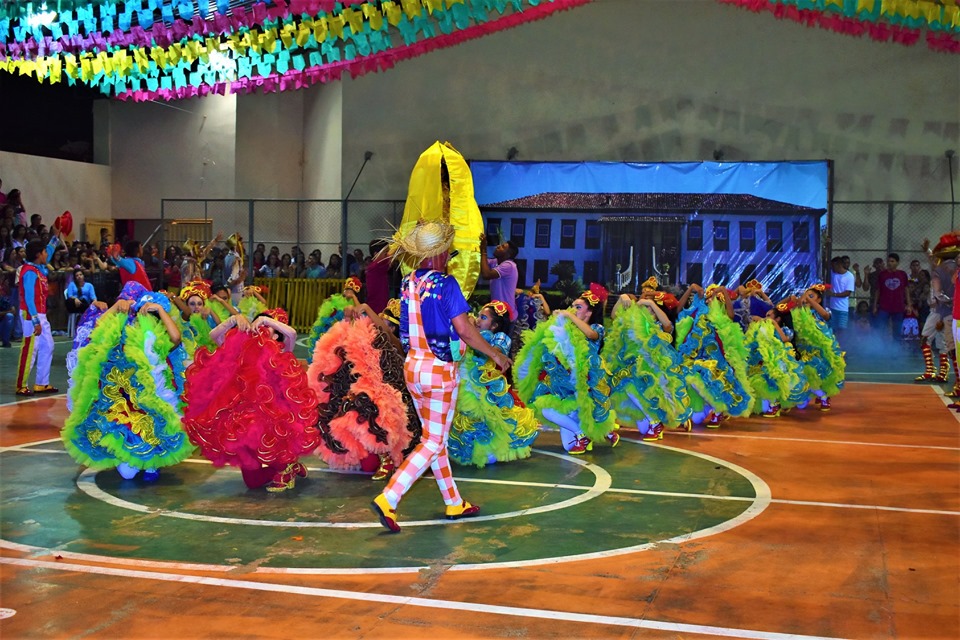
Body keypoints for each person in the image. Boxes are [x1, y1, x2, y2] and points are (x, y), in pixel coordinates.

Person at [371, 221, 511, 534]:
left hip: (413, 368)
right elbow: (464, 330)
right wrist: (495, 353)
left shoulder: (408, 282)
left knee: (435, 439)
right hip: (438, 372)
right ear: (439, 252)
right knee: (433, 441)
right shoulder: (446, 284)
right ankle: (389, 497)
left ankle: (453, 501)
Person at [183, 309, 319, 492]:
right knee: (253, 482)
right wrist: (233, 319)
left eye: (267, 327)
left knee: (277, 456)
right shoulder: (241, 347)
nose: (261, 330)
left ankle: (286, 467)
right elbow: (214, 335)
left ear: (276, 332)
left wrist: (266, 320)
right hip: (243, 421)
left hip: (274, 422)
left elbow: (292, 333)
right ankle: (291, 468)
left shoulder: (281, 350)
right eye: (259, 325)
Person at [514, 283, 620, 453]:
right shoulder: (566, 329)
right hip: (564, 385)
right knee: (549, 413)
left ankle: (587, 434)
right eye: (572, 306)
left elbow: (591, 335)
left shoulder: (596, 328)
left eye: (578, 307)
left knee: (588, 413)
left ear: (589, 313)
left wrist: (569, 317)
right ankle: (585, 433)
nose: (572, 309)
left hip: (585, 385)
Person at [15, 233, 62, 396]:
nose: (47, 254)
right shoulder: (29, 272)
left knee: (48, 345)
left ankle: (42, 383)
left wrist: (56, 235)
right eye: (44, 252)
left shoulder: (37, 267)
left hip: (40, 314)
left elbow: (48, 249)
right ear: (37, 255)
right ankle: (21, 385)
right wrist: (35, 321)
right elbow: (28, 298)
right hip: (31, 314)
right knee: (30, 348)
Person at [479, 233, 520, 321]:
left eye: (502, 247)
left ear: (508, 254)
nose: (498, 246)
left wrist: (484, 250)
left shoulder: (509, 265)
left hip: (506, 316)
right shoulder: (495, 262)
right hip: (499, 313)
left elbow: (486, 274)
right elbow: (481, 262)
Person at [873, 253, 912, 344]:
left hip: (898, 306)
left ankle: (896, 350)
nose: (889, 263)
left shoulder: (902, 274)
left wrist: (909, 305)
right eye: (888, 261)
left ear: (897, 263)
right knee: (880, 328)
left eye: (892, 261)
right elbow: (878, 290)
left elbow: (906, 290)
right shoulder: (882, 274)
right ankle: (880, 347)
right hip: (884, 306)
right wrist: (875, 305)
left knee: (897, 330)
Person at [828, 256, 855, 340]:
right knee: (832, 330)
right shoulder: (832, 274)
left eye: (833, 266)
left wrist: (833, 294)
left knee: (842, 331)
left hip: (842, 309)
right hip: (831, 308)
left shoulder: (849, 276)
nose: (832, 268)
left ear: (838, 265)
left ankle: (841, 348)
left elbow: (848, 292)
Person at [364, 239, 392, 314]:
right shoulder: (377, 265)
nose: (388, 256)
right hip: (378, 306)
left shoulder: (375, 266)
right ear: (376, 254)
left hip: (378, 303)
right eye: (385, 253)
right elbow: (392, 258)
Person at [223, 233, 247, 305]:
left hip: (230, 290)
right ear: (236, 245)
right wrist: (241, 278)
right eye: (241, 243)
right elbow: (232, 279)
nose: (243, 245)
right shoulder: (236, 259)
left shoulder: (228, 256)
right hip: (235, 292)